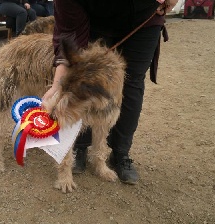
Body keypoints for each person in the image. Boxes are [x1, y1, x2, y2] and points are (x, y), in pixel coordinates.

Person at [42, 0, 178, 184]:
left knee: (133, 83)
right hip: (95, 17)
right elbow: (69, 33)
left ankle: (120, 153)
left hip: (144, 16)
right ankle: (80, 147)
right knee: (85, 88)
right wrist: (58, 85)